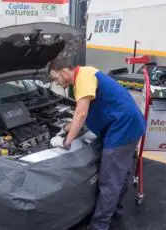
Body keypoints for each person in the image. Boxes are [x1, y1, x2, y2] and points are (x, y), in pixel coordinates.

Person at [49, 57, 146, 230]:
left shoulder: (83, 78)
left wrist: (66, 141)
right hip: (131, 124)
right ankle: (116, 210)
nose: (57, 82)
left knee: (109, 181)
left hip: (122, 129)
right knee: (121, 175)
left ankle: (99, 225)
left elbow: (81, 114)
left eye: (56, 78)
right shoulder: (87, 73)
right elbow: (86, 111)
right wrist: (69, 126)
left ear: (64, 72)